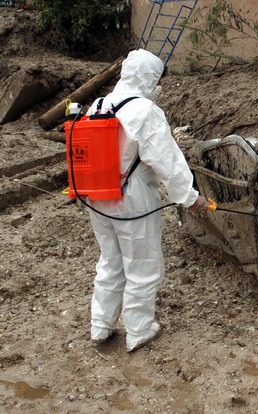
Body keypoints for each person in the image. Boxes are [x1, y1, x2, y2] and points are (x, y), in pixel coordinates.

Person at [85, 49, 210, 352]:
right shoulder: (144, 110)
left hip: (96, 194)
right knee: (142, 264)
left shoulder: (99, 104)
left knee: (111, 261)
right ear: (150, 77)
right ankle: (139, 330)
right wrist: (189, 197)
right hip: (132, 195)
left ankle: (101, 325)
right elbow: (166, 160)